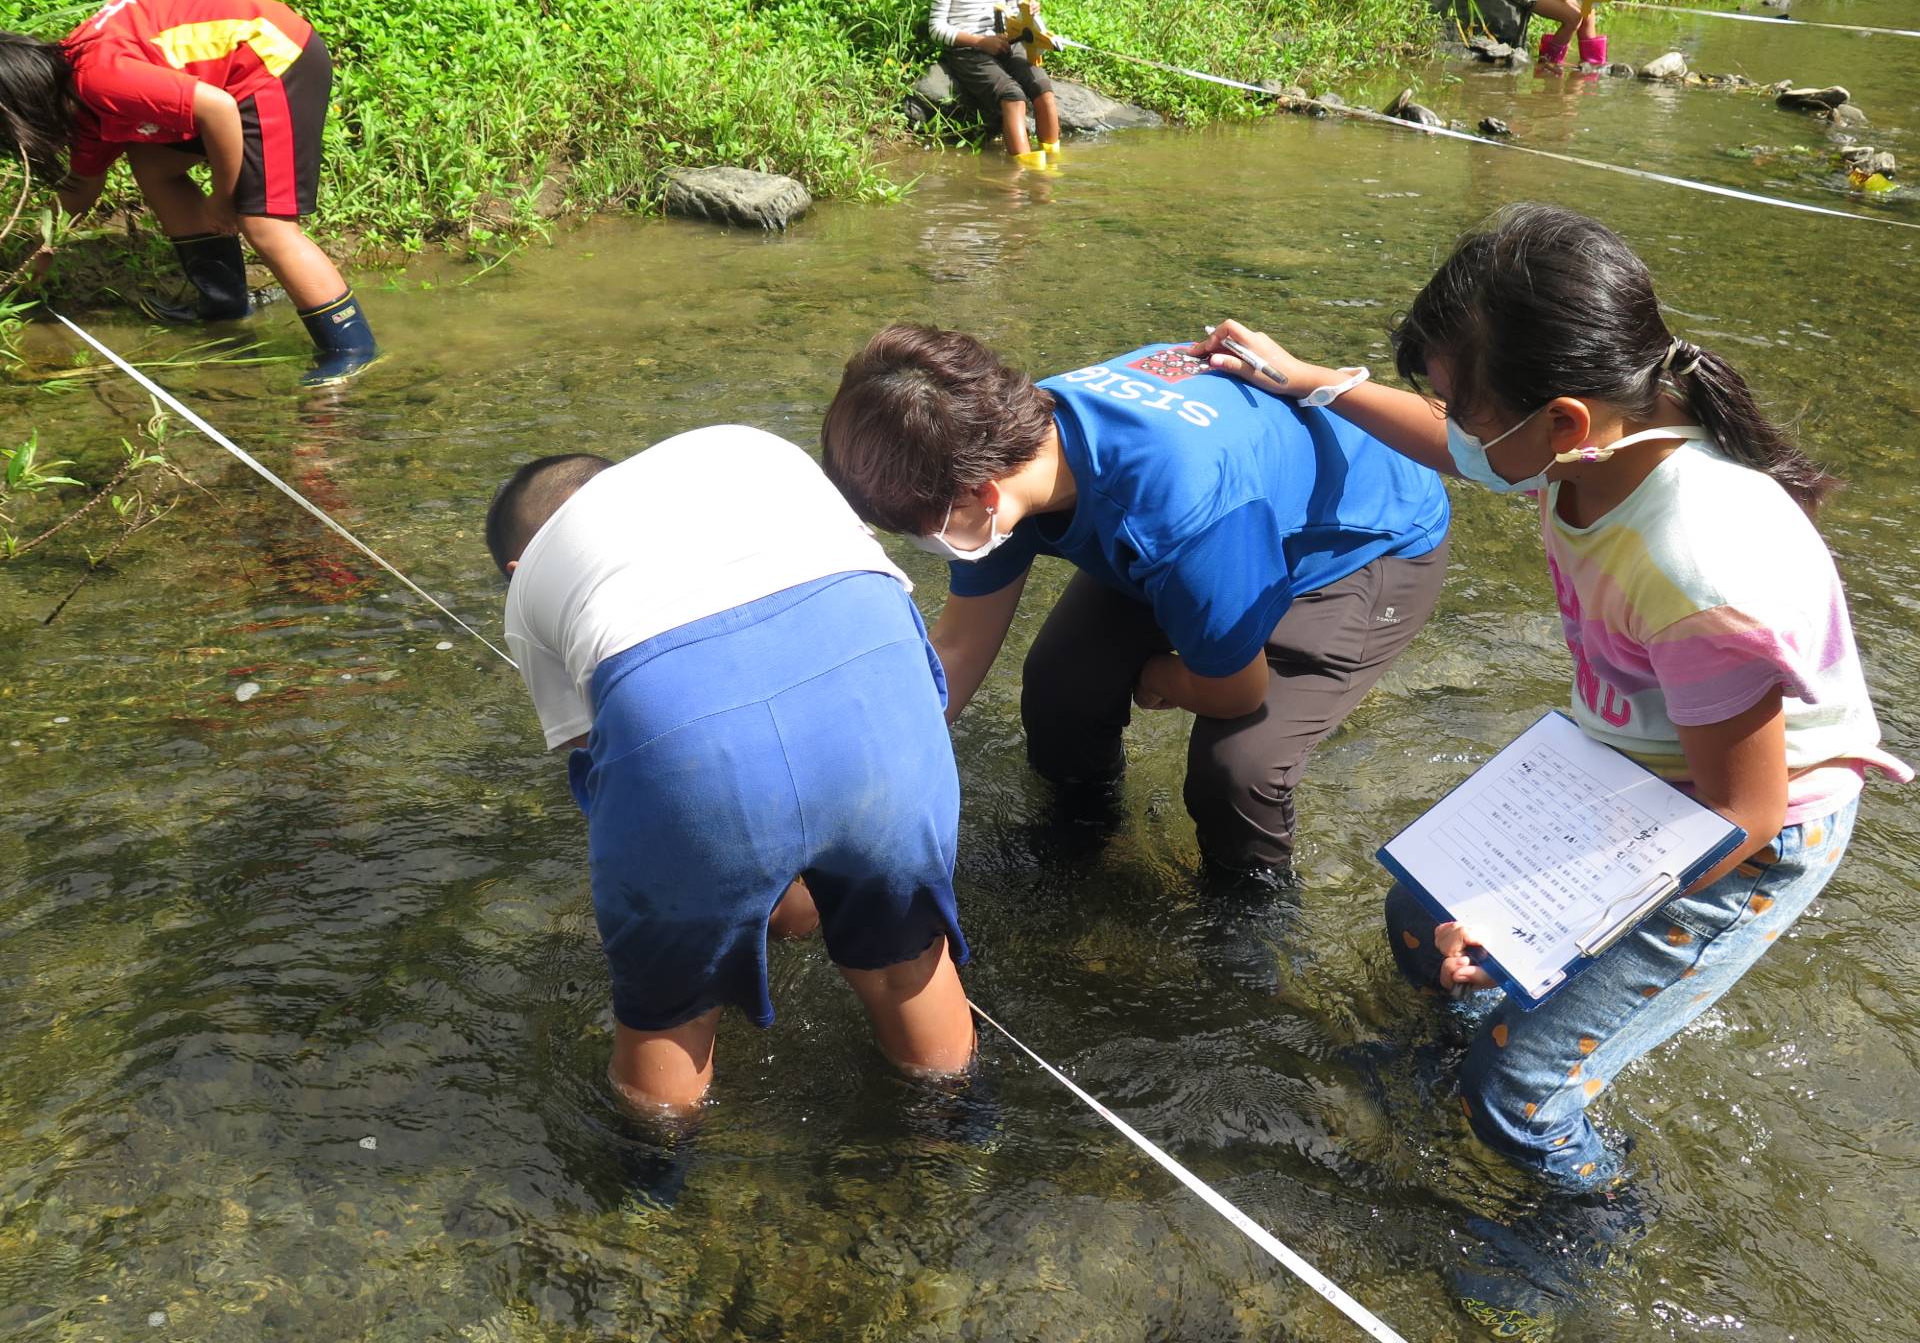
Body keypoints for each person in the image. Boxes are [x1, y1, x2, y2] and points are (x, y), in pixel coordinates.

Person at [1193, 203, 1909, 1191]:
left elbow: (1741, 810)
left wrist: (1549, 931)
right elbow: (1458, 446)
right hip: (1628, 762)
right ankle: (1459, 1052)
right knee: (1419, 917)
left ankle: (1589, 1221)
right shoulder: (1602, 438)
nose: (1456, 427)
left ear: (1562, 422)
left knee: (1519, 1092)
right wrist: (1310, 380)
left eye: (1464, 405)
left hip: (1748, 829)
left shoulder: (1700, 568)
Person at [820, 325, 1451, 879]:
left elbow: (1240, 693)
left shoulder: (1179, 514)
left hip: (1359, 542)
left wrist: (1156, 677)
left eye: (919, 532)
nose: (922, 544)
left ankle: (1247, 907)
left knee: (1238, 768)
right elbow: (958, 647)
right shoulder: (1001, 444)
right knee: (1060, 684)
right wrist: (854, 798)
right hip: (1216, 519)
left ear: (984, 497)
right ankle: (1083, 831)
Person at [489, 426, 976, 1116]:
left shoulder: (532, 580)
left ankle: (656, 1174)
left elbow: (612, 762)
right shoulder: (745, 448)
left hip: (690, 743)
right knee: (907, 962)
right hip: (877, 677)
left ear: (516, 565)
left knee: (671, 1011)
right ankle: (958, 1137)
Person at [0, 0, 376, 383]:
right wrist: (33, 263)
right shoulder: (74, 94)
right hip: (226, 80)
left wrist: (224, 197)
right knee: (152, 165)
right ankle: (224, 306)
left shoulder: (99, 78)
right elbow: (81, 187)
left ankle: (351, 348)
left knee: (264, 225)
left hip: (274, 61)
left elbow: (218, 109)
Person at [928, 0, 1062, 167]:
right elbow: (936, 28)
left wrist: (1029, 14)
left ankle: (1055, 160)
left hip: (1007, 42)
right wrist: (980, 42)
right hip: (969, 49)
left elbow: (1014, 14)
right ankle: (1025, 168)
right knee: (1012, 95)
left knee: (1042, 86)